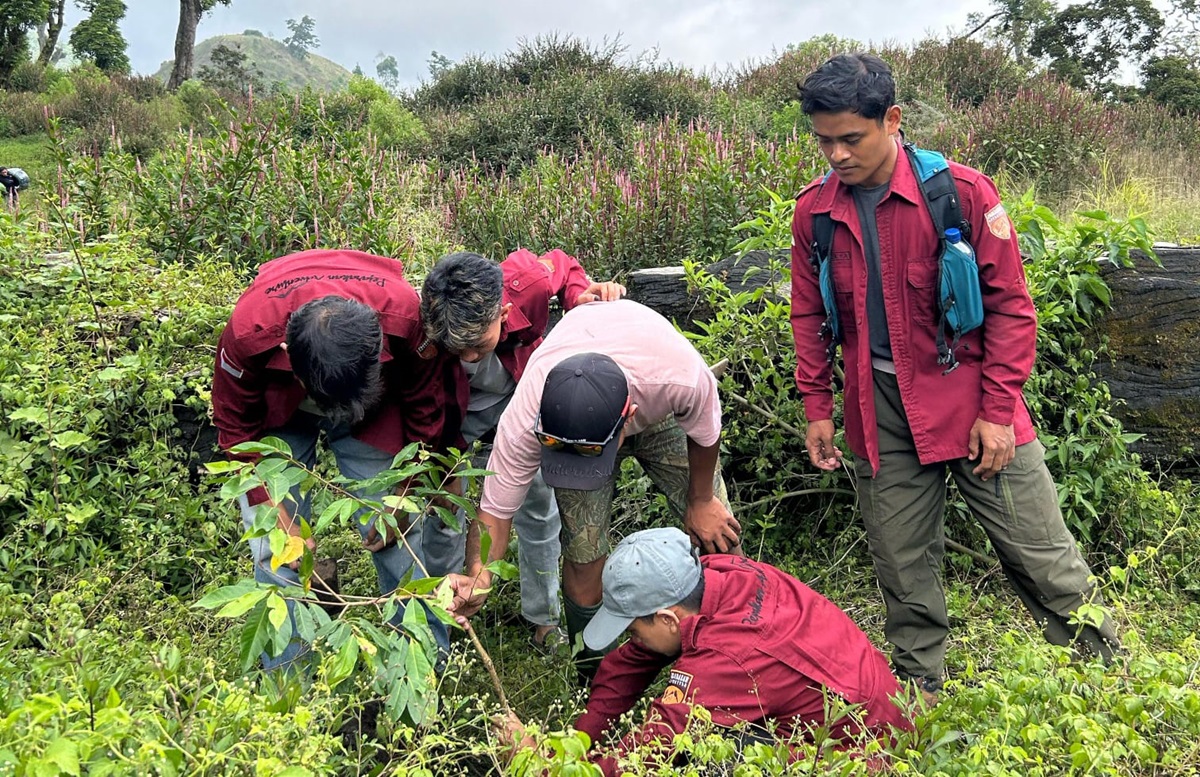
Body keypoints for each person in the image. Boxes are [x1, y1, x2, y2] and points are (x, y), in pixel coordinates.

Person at [789, 53, 1119, 699]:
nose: (835, 155)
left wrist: (998, 411)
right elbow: (809, 312)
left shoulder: (963, 194)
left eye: (850, 138)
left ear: (893, 119)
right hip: (877, 409)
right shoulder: (815, 214)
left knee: (1043, 556)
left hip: (972, 398)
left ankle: (1110, 679)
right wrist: (817, 406)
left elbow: (1011, 308)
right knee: (902, 566)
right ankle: (922, 699)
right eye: (823, 140)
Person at [447, 299, 741, 679]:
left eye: (589, 458)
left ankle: (738, 649)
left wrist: (701, 500)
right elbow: (495, 513)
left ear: (629, 419)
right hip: (583, 411)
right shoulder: (525, 419)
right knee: (583, 554)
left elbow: (705, 431)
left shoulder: (678, 377)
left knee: (719, 532)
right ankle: (593, 675)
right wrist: (479, 575)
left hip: (659, 408)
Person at [211, 248, 460, 669]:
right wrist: (280, 517)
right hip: (280, 405)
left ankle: (420, 671)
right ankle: (288, 690)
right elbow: (235, 432)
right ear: (288, 352)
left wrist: (402, 495)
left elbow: (425, 409)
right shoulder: (249, 332)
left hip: (371, 404)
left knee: (400, 537)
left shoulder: (405, 320)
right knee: (277, 552)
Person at [496, 527, 912, 774]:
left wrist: (545, 768)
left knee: (700, 756)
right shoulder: (715, 574)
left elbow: (649, 752)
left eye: (632, 628)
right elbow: (633, 660)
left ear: (667, 618)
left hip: (863, 757)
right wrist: (574, 742)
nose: (628, 639)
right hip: (873, 705)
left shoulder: (726, 659)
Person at [419, 248, 625, 652]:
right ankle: (441, 615)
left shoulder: (525, 281)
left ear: (503, 311)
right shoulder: (428, 325)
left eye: (477, 345)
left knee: (537, 505)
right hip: (451, 417)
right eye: (456, 349)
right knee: (443, 512)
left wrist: (579, 295)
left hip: (522, 395)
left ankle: (543, 620)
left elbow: (564, 268)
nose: (468, 357)